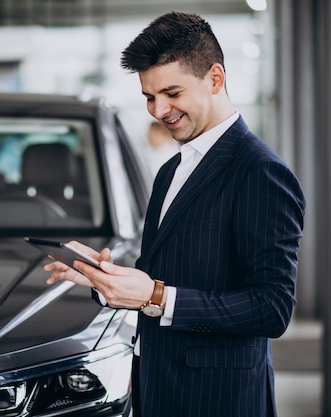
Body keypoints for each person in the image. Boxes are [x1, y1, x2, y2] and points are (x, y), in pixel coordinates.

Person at [44, 11, 305, 417]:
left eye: (172, 93)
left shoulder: (260, 172)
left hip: (219, 399)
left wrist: (155, 296)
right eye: (149, 96)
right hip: (158, 389)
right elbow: (164, 277)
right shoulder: (170, 170)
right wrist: (104, 278)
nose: (158, 109)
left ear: (215, 78)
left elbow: (271, 308)